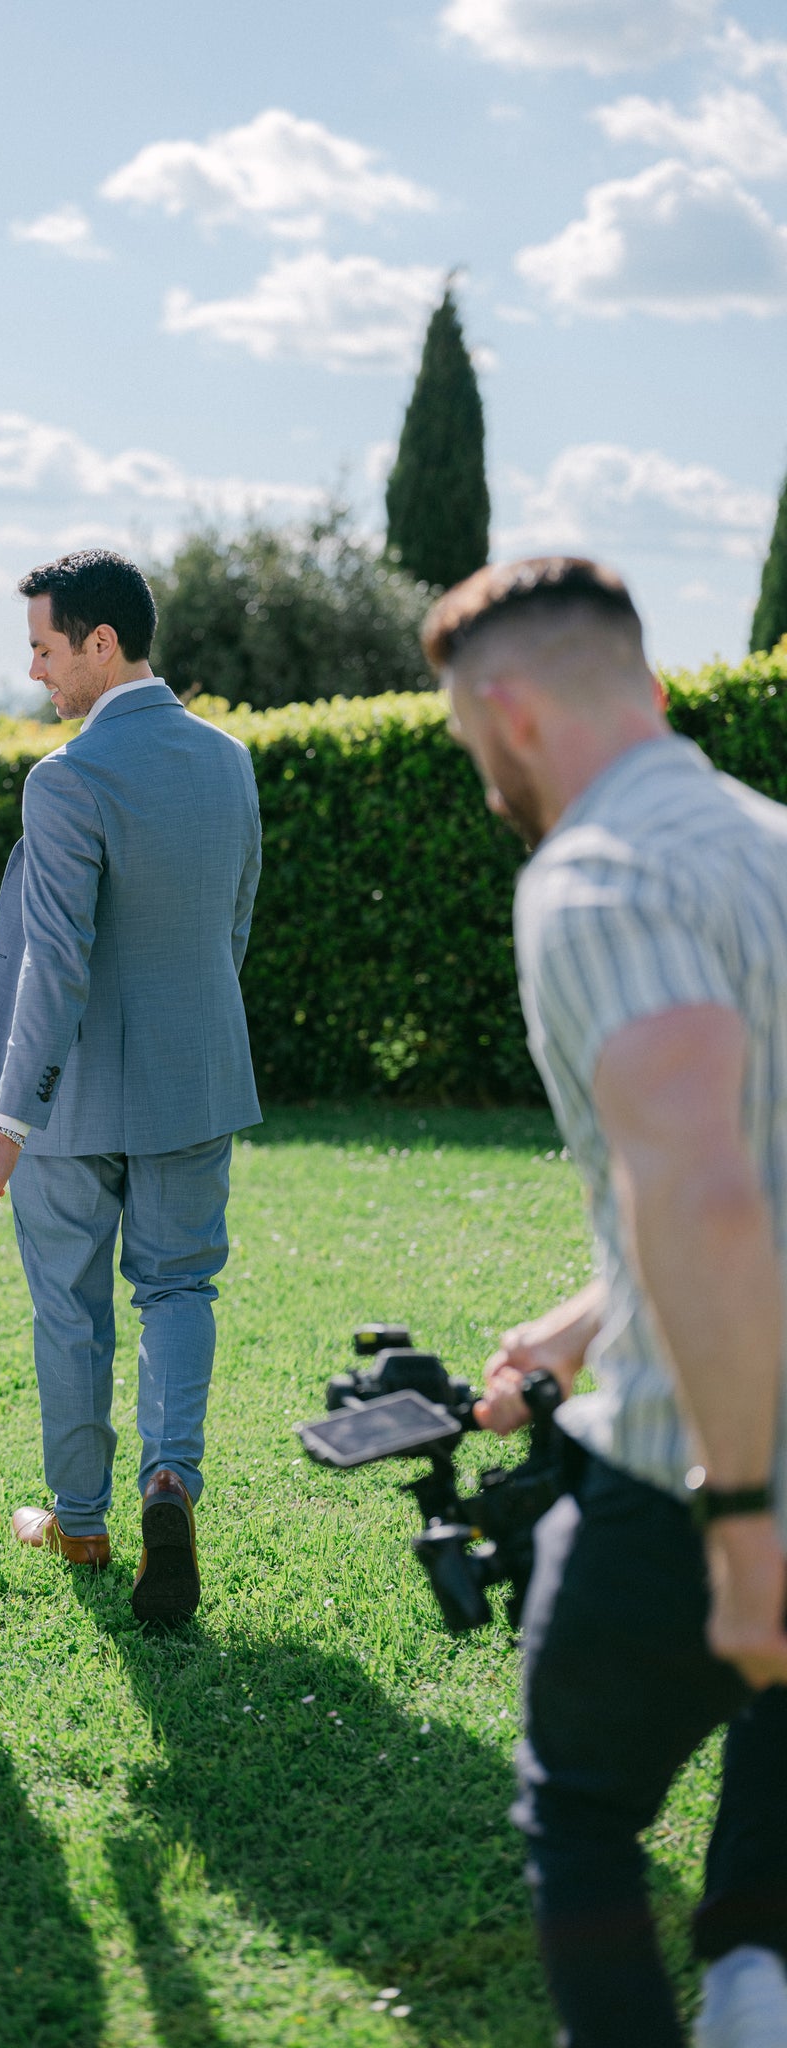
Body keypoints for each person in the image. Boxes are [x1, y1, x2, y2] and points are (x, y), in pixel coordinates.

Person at [428, 555, 787, 2048]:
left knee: (576, 1810)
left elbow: (707, 1192)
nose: (480, 773)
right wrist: (590, 1314)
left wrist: (746, 1516)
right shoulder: (769, 840)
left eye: (464, 739)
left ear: (511, 711)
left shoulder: (592, 880)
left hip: (696, 1467)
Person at [0, 549, 262, 1622]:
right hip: (197, 1081)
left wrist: (10, 1115)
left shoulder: (68, 778)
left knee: (70, 1308)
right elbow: (234, 922)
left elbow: (57, 961)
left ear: (100, 642)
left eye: (45, 648)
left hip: (73, 1101)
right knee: (180, 1287)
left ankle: (81, 1521)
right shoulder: (230, 761)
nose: (36, 672)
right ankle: (168, 1481)